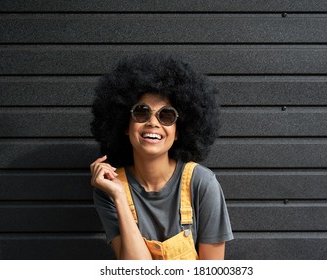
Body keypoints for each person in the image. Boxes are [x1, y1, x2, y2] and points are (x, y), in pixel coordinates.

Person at [90, 53, 233, 260]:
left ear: (178, 132)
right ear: (125, 126)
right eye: (141, 112)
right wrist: (119, 197)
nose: (153, 123)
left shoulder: (202, 183)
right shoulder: (109, 188)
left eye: (166, 115)